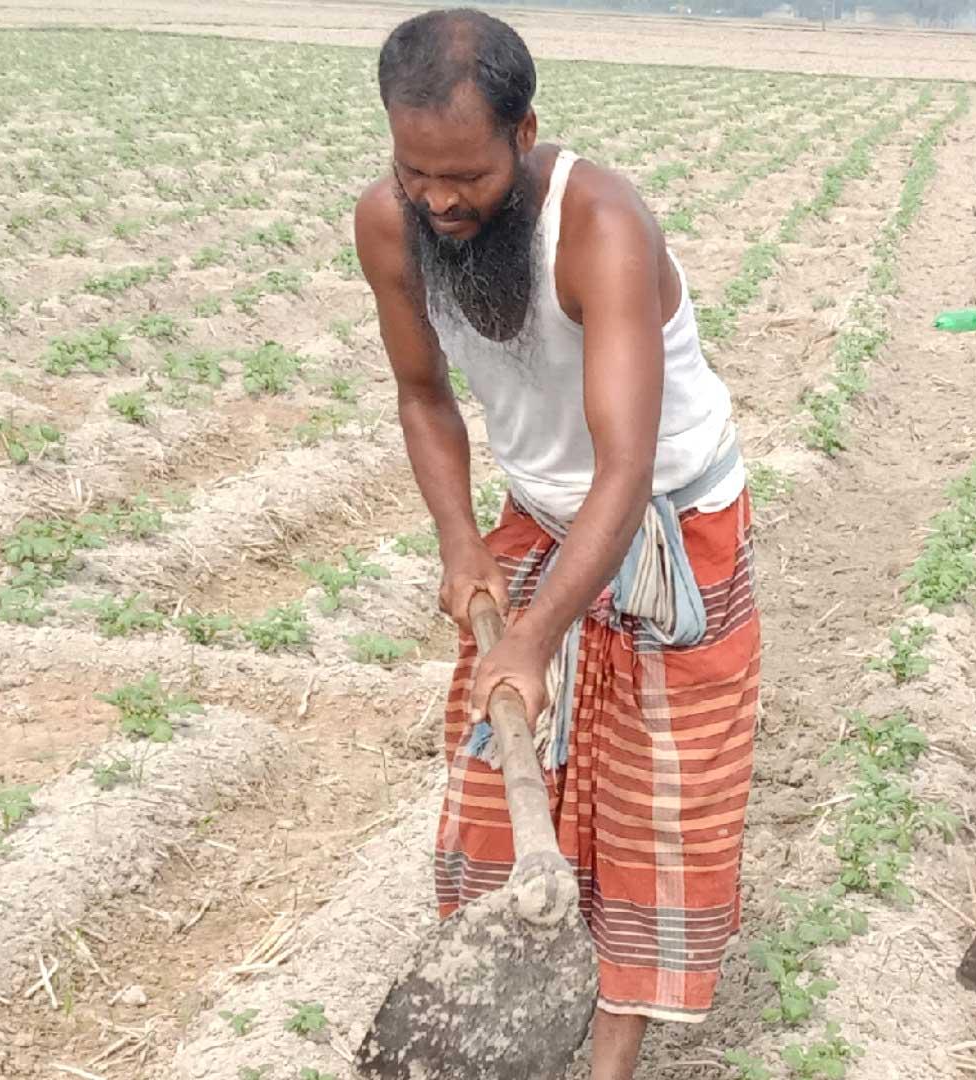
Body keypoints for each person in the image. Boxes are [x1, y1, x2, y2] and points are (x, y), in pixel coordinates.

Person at [351, 9, 760, 1077]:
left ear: (525, 133)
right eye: (414, 171)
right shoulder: (393, 226)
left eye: (466, 177)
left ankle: (609, 1064)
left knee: (649, 812)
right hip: (541, 514)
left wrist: (531, 641)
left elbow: (624, 471)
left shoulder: (601, 226)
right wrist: (460, 547)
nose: (438, 200)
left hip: (673, 523)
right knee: (503, 793)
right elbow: (421, 393)